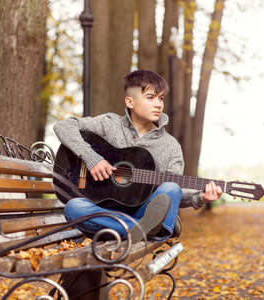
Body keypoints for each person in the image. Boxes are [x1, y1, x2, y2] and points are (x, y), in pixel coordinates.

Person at [53, 69, 222, 242]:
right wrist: (92, 158)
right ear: (130, 102)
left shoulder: (170, 146)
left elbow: (174, 195)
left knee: (171, 187)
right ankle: (147, 229)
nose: (158, 104)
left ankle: (147, 227)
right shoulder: (109, 124)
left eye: (161, 98)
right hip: (106, 212)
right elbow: (63, 126)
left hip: (143, 211)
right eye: (150, 97)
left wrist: (200, 197)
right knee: (73, 207)